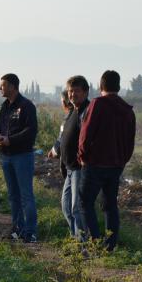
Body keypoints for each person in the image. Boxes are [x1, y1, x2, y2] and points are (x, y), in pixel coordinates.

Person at [78, 70, 136, 251]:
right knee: (110, 205)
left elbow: (86, 134)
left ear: (101, 85)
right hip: (116, 165)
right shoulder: (127, 110)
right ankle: (110, 245)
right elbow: (130, 141)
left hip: (94, 163)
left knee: (85, 202)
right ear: (118, 86)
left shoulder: (97, 104)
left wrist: (82, 156)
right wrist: (122, 160)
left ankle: (95, 241)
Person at [0, 73, 39, 243]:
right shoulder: (5, 106)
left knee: (26, 195)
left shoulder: (26, 106)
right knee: (13, 195)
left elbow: (30, 131)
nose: (0, 88)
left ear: (13, 86)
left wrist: (10, 140)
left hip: (22, 156)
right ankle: (17, 229)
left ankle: (31, 232)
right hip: (6, 157)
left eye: (3, 85)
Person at [56, 76, 90, 238]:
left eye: (76, 91)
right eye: (70, 91)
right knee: (66, 207)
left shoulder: (87, 112)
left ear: (85, 92)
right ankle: (75, 238)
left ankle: (84, 244)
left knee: (76, 207)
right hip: (70, 168)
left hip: (80, 168)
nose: (72, 94)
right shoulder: (73, 112)